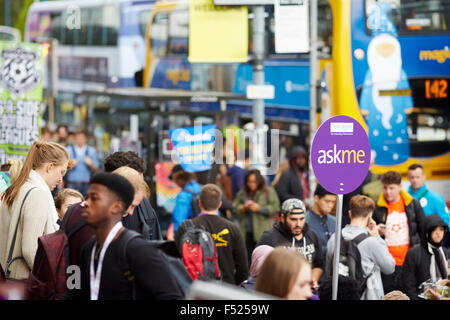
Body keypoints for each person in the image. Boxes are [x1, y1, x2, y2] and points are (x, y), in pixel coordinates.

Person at [64, 172, 183, 300]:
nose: (86, 203)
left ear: (116, 207)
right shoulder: (90, 248)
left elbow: (172, 296)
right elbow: (79, 293)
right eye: (87, 197)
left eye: (94, 198)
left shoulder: (137, 249)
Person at [0, 141, 71, 280]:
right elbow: (31, 250)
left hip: (7, 277)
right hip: (23, 280)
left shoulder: (17, 188)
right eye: (61, 172)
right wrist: (53, 278)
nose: (61, 180)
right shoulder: (38, 194)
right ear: (50, 167)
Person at [175, 184, 249, 285]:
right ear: (220, 204)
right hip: (226, 288)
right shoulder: (232, 228)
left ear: (199, 203)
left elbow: (176, 262)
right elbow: (243, 268)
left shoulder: (186, 227)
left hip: (195, 288)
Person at [325, 195, 395, 300]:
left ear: (350, 213)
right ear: (370, 214)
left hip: (339, 295)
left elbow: (328, 271)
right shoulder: (372, 242)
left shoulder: (334, 238)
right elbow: (390, 267)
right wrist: (377, 237)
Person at [372, 170, 425, 293]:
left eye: (392, 188)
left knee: (409, 294)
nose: (388, 192)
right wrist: (376, 231)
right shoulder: (377, 207)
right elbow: (368, 230)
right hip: (385, 264)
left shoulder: (412, 204)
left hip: (408, 262)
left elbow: (423, 230)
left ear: (400, 187)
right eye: (385, 188)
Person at [257, 198, 324, 288]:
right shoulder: (269, 237)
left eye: (302, 219)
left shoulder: (312, 235)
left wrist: (310, 281)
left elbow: (318, 265)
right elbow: (260, 271)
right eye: (293, 219)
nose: (298, 224)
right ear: (282, 218)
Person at [233, 169, 280, 262]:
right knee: (247, 257)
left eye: (254, 182)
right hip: (246, 232)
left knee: (263, 258)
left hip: (262, 230)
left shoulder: (268, 191)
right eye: (249, 182)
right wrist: (244, 207)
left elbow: (275, 207)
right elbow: (235, 208)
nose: (252, 184)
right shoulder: (242, 193)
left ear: (259, 181)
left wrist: (260, 208)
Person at [399, 214, 449, 300]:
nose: (438, 233)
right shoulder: (414, 252)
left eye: (441, 229)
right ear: (427, 232)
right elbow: (408, 284)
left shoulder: (444, 252)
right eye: (434, 229)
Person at [306, 184, 337, 264]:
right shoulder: (305, 221)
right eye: (327, 201)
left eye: (333, 202)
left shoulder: (335, 221)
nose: (330, 205)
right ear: (316, 198)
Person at [66, 129, 99, 197]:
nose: (80, 140)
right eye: (78, 138)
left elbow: (96, 169)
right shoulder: (68, 150)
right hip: (72, 183)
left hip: (86, 184)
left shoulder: (91, 151)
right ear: (75, 139)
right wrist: (70, 164)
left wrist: (90, 164)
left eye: (81, 138)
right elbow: (63, 168)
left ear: (85, 139)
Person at [170, 164, 202, 234]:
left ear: (178, 178)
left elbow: (179, 221)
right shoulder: (201, 188)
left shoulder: (183, 195)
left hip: (192, 237)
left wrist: (178, 237)